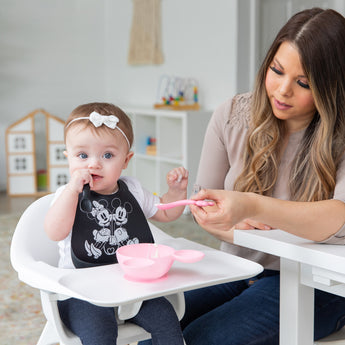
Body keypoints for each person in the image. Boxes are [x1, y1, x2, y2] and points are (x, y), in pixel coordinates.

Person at [182, 7, 345, 345]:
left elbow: (339, 218)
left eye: (304, 83)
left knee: (203, 339)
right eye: (276, 70)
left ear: (332, 87)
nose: (283, 90)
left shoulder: (341, 135)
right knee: (155, 323)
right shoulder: (232, 115)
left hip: (318, 284)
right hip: (238, 266)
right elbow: (204, 205)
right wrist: (226, 222)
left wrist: (252, 206)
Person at [44, 102, 188, 345]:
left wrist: (176, 192)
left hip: (132, 286)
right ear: (67, 158)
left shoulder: (132, 189)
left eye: (107, 155)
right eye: (82, 155)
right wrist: (72, 191)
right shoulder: (67, 195)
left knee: (167, 318)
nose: (93, 164)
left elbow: (164, 213)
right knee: (100, 332)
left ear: (126, 160)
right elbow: (54, 232)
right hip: (81, 292)